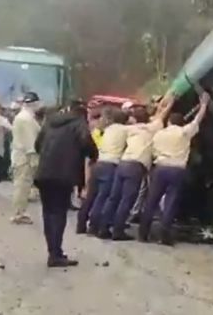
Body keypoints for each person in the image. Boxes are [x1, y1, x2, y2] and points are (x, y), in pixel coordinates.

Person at [139, 93, 211, 245]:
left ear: (170, 122)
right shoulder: (184, 133)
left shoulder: (159, 133)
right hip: (177, 171)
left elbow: (157, 120)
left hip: (160, 169)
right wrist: (204, 104)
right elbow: (198, 119)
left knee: (152, 200)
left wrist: (166, 104)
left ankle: (143, 233)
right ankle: (165, 236)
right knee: (171, 202)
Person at [98, 96, 173, 241]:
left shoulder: (130, 129)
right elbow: (161, 115)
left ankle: (104, 228)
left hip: (122, 164)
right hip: (136, 167)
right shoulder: (151, 129)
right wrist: (170, 103)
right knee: (127, 199)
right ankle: (118, 231)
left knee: (114, 198)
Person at [34, 100, 97, 268]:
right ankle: (56, 254)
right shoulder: (78, 123)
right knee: (59, 213)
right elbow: (86, 143)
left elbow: (37, 145)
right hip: (63, 174)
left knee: (48, 213)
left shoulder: (50, 122)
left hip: (44, 173)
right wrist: (92, 154)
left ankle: (52, 251)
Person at [80, 107, 128, 235]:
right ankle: (95, 227)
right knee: (103, 197)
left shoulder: (105, 130)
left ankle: (83, 225)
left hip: (99, 163)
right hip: (111, 166)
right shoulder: (124, 130)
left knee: (92, 196)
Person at [11, 92, 43, 225]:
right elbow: (31, 141)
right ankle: (19, 212)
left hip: (20, 155)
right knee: (22, 185)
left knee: (21, 185)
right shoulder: (27, 119)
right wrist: (34, 160)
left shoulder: (23, 117)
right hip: (25, 157)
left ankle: (19, 211)